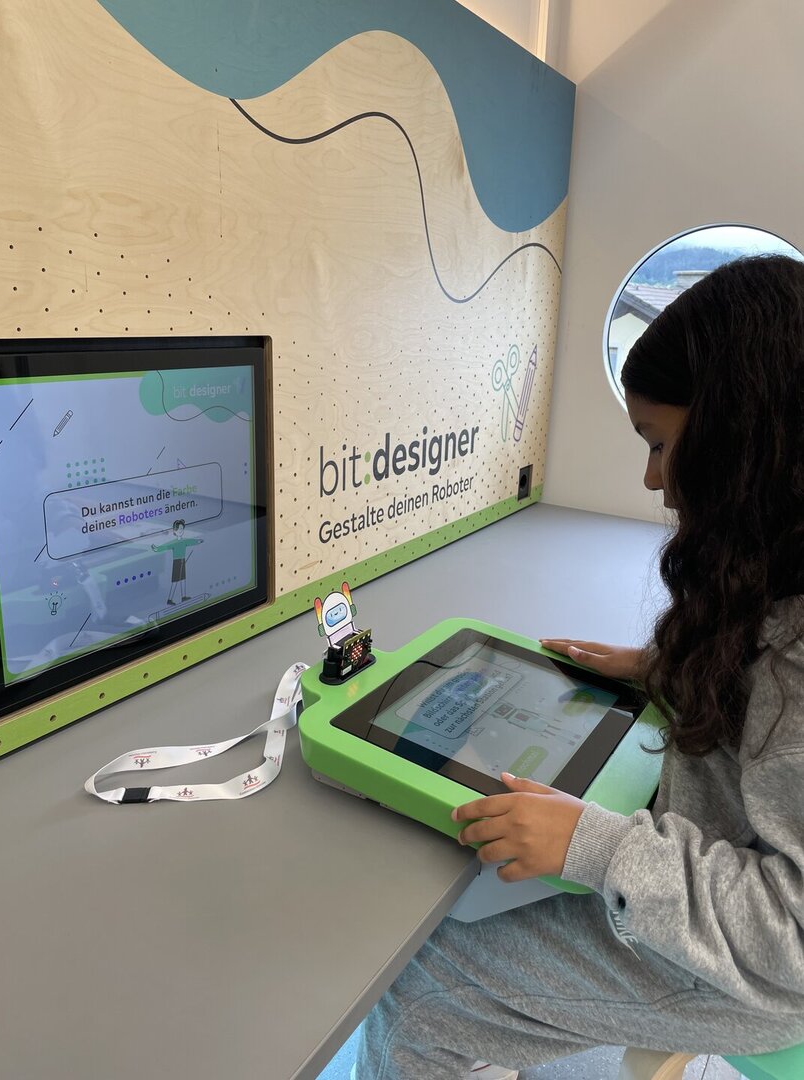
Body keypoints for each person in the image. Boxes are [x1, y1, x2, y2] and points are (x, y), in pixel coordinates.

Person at [353, 255, 804, 1080]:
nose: (653, 478)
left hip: (750, 973)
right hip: (706, 851)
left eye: (661, 444)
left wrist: (595, 847)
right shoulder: (781, 557)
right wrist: (675, 670)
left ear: (743, 440)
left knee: (417, 994)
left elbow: (792, 938)